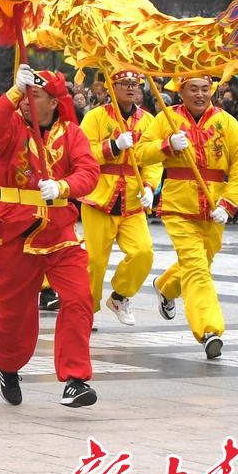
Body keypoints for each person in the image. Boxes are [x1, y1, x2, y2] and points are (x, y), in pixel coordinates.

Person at [0, 65, 101, 409]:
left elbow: (89, 173)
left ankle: (75, 380)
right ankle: (8, 364)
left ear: (54, 102)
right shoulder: (12, 126)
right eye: (27, 96)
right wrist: (13, 92)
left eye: (36, 96)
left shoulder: (73, 133)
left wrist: (63, 186)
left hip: (60, 229)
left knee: (78, 299)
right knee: (17, 313)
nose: (29, 103)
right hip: (14, 228)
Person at [142, 75, 238, 358]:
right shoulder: (165, 119)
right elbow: (141, 153)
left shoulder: (227, 123)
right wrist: (165, 145)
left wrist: (229, 204)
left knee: (204, 259)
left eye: (205, 89)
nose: (200, 94)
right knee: (196, 267)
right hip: (179, 206)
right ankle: (209, 330)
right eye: (193, 89)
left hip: (214, 206)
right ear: (181, 91)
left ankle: (166, 286)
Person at [78, 71, 161, 326]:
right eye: (124, 84)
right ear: (111, 87)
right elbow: (82, 152)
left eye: (134, 84)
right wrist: (112, 146)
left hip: (133, 199)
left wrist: (149, 187)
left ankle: (120, 296)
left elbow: (154, 159)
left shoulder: (148, 120)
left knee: (143, 252)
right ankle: (85, 311)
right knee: (94, 260)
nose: (130, 88)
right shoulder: (95, 117)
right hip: (99, 197)